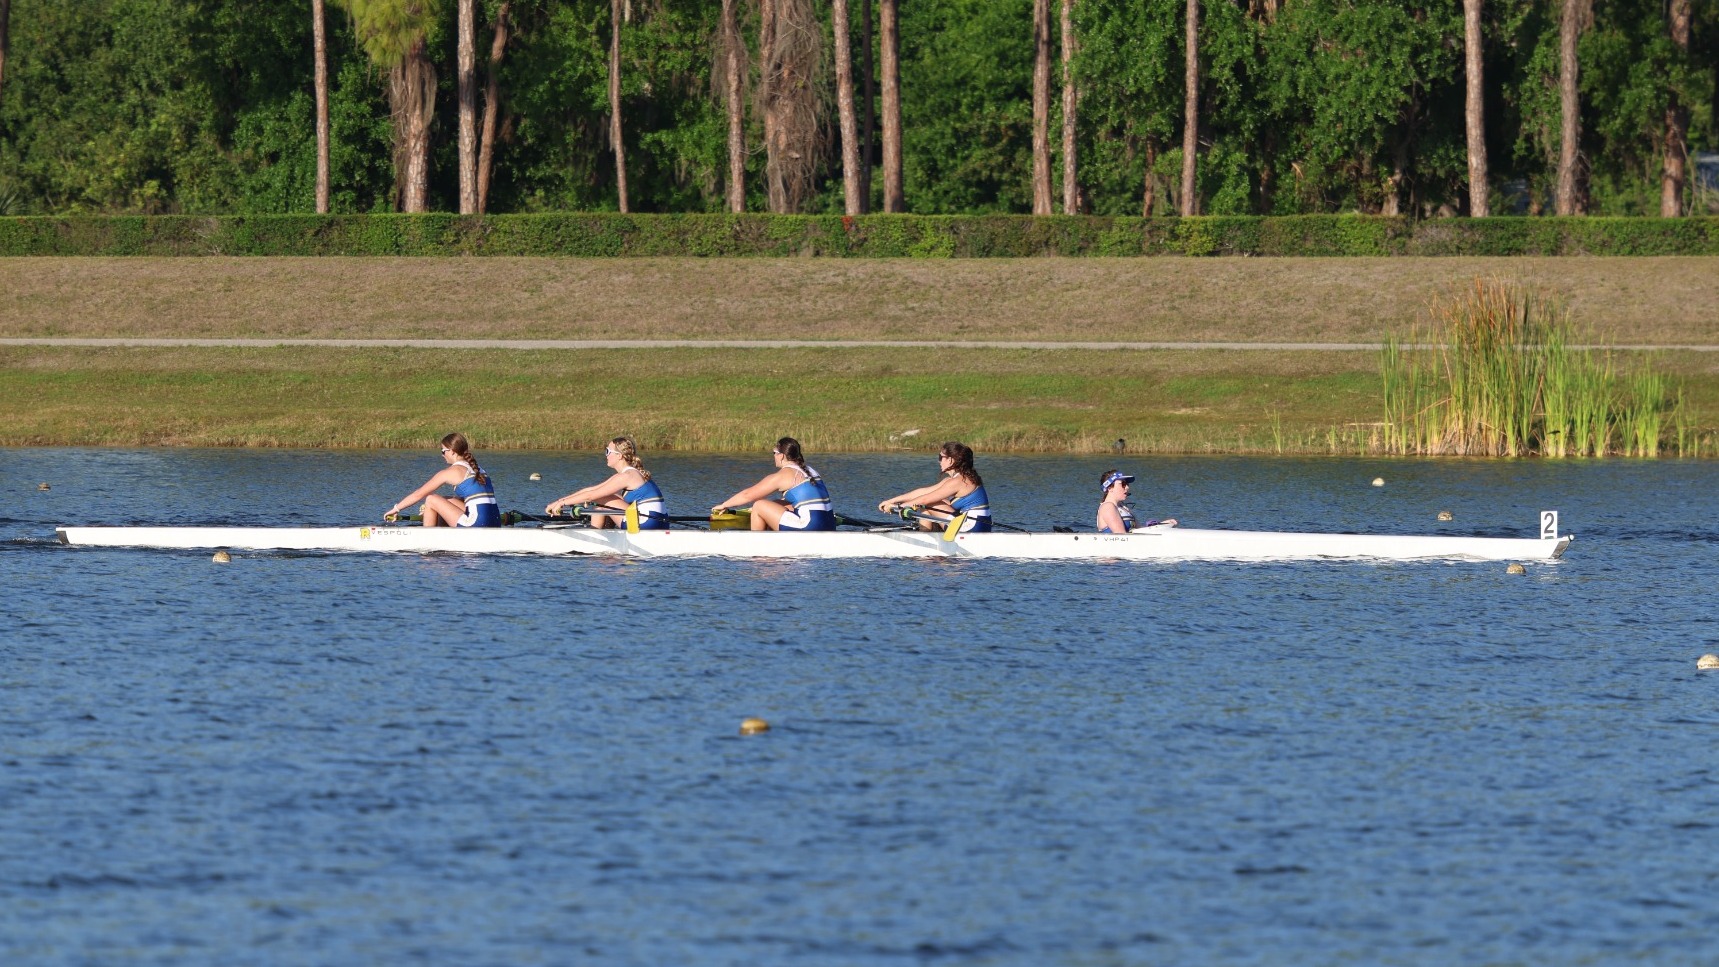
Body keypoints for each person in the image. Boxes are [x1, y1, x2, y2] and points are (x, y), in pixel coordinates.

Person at [545, 436, 668, 529]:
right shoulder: (632, 473)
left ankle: (594, 536)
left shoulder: (626, 476)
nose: (606, 455)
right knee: (606, 501)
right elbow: (590, 490)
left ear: (619, 456)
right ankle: (606, 532)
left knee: (601, 498)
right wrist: (558, 502)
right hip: (660, 522)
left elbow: (590, 496)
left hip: (646, 523)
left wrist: (563, 503)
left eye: (608, 451)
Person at [713, 437, 835, 531]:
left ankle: (756, 547)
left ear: (781, 455)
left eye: (774, 453)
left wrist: (724, 505)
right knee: (777, 503)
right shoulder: (810, 470)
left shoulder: (784, 475)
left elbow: (748, 495)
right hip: (829, 525)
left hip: (808, 526)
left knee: (759, 505)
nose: (774, 456)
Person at [386, 432, 500, 527]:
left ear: (452, 451)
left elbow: (418, 494)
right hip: (495, 521)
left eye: (443, 451)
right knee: (445, 500)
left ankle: (428, 540)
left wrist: (396, 509)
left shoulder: (451, 472)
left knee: (431, 499)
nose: (442, 455)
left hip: (476, 523)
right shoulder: (478, 469)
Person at [878, 441, 993, 533]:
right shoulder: (958, 479)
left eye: (940, 457)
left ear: (950, 460)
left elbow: (925, 499)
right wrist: (891, 501)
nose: (939, 461)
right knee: (930, 502)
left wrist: (899, 507)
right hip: (980, 525)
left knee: (926, 503)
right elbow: (923, 492)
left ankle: (924, 538)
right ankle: (929, 533)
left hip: (971, 527)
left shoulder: (958, 481)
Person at [1097, 469, 1175, 534]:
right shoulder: (1108, 507)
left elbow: (1139, 531)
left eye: (1127, 484)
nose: (1127, 487)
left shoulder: (1124, 508)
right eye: (1123, 484)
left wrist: (1161, 526)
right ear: (1110, 488)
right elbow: (1121, 536)